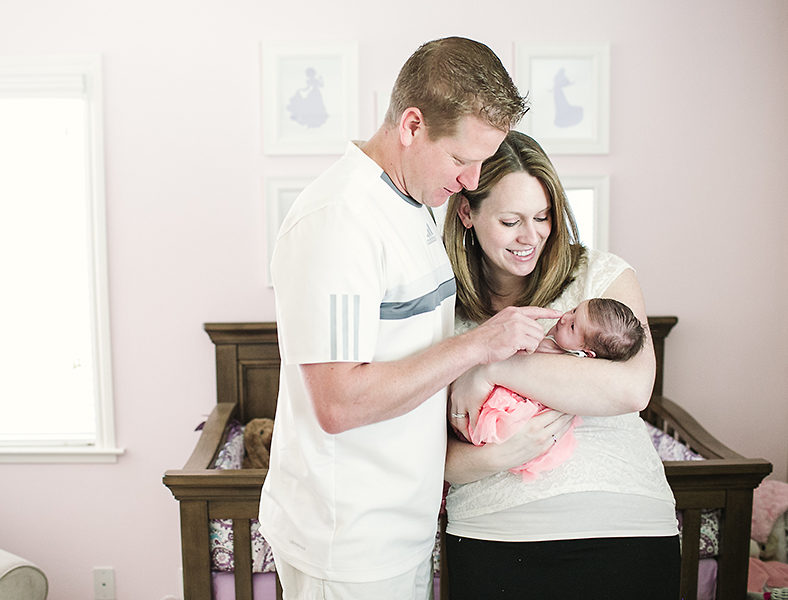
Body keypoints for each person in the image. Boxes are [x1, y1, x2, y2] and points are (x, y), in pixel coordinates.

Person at [258, 37, 574, 600]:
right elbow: (338, 402)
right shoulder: (341, 221)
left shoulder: (412, 203)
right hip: (348, 542)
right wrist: (478, 346)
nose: (472, 180)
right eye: (461, 159)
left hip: (402, 528)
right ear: (411, 126)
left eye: (482, 161)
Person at [442, 130, 680, 599]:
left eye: (543, 216)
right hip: (495, 534)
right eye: (510, 221)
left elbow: (632, 389)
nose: (531, 237)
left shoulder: (601, 276)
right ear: (467, 212)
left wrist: (489, 367)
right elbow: (433, 455)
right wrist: (495, 457)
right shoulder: (441, 305)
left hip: (624, 527)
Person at [467, 297, 647, 482]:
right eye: (574, 310)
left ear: (586, 353)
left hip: (522, 409)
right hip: (508, 389)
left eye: (573, 326)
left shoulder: (565, 361)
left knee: (487, 422)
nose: (565, 318)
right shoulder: (555, 340)